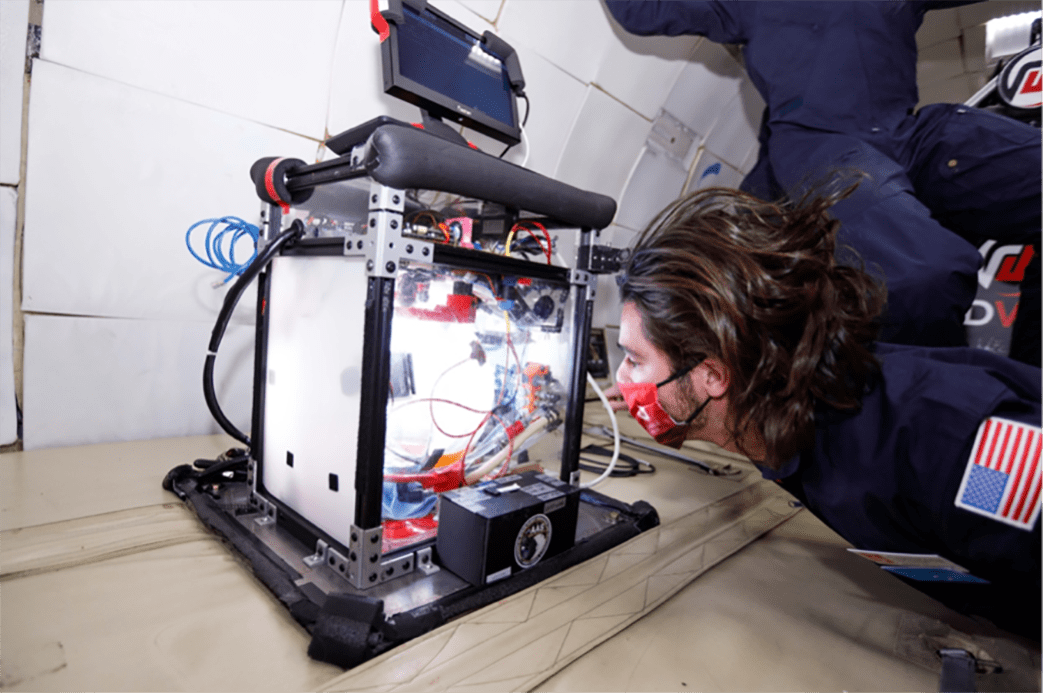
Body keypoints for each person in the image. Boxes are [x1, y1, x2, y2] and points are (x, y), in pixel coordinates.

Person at [607, 185, 1042, 639]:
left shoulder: (947, 441)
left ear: (714, 375)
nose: (623, 378)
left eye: (635, 360)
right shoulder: (785, 424)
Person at [604, 0, 1043, 367]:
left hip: (906, 135)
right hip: (822, 144)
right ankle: (931, 425)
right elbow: (642, 8)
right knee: (922, 275)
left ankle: (1031, 393)